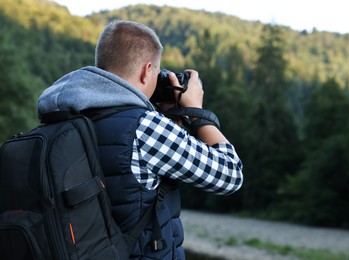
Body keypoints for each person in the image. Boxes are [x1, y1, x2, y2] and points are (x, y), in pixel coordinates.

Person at [37, 20, 243, 259]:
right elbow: (230, 175)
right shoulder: (145, 128)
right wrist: (195, 112)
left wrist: (169, 119)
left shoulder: (57, 119)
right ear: (147, 71)